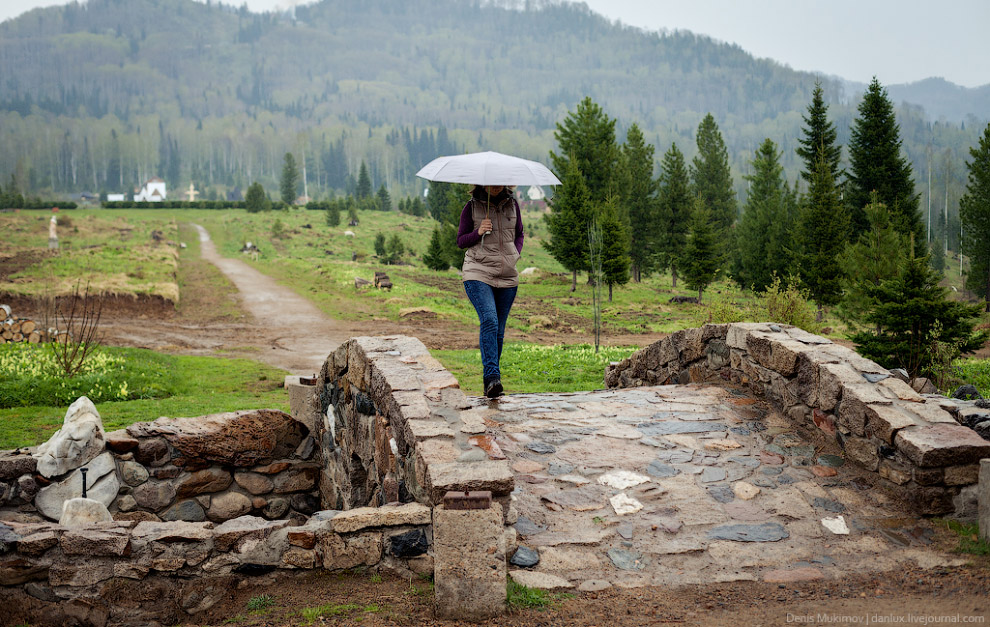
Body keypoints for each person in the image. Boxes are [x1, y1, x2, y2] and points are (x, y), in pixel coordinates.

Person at [457, 184, 524, 398]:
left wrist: (515, 253)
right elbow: (461, 241)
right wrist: (478, 232)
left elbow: (520, 234)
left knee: (499, 331)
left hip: (507, 275)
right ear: (483, 183)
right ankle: (493, 377)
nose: (495, 186)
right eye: (491, 182)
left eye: (500, 181)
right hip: (478, 272)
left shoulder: (513, 206)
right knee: (489, 320)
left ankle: (491, 384)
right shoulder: (472, 207)